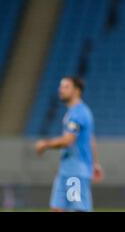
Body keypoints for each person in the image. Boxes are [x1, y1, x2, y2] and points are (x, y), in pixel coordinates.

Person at [34, 76, 104, 212]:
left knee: (77, 209)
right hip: (66, 170)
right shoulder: (75, 112)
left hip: (75, 171)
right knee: (57, 208)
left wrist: (45, 144)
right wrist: (95, 163)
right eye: (61, 86)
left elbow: (68, 140)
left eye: (66, 87)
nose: (61, 90)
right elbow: (90, 138)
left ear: (77, 91)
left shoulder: (78, 113)